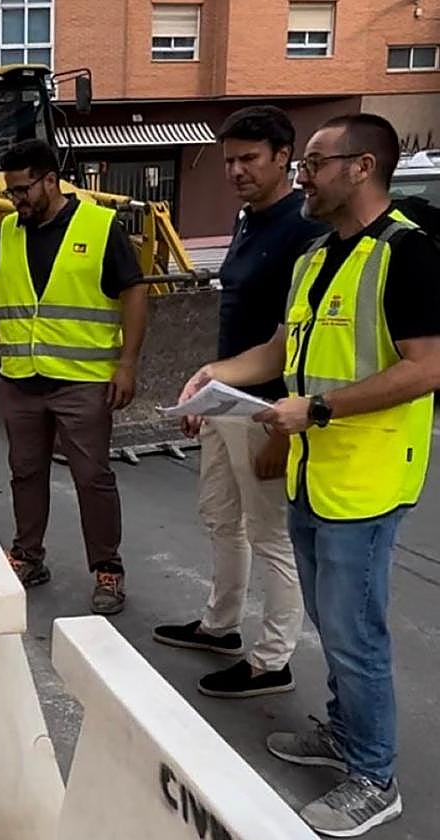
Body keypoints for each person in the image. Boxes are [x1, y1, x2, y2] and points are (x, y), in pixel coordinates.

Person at [177, 113, 440, 837]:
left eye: (315, 164)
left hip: (367, 478)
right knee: (331, 622)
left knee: (356, 634)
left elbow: (427, 368)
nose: (304, 178)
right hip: (312, 473)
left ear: (362, 167)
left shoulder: (407, 254)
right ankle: (345, 734)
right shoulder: (316, 255)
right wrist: (214, 373)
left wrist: (318, 408)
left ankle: (375, 778)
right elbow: (277, 350)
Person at [154, 106, 324, 700]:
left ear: (283, 156)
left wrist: (282, 430)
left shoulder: (305, 230)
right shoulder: (249, 219)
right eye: (228, 160)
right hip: (227, 398)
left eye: (249, 158)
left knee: (271, 536)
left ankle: (272, 660)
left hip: (268, 410)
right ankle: (220, 625)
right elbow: (238, 318)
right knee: (221, 518)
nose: (235, 171)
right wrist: (208, 393)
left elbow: (297, 340)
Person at [0, 139, 149, 615]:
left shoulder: (100, 226)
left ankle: (108, 568)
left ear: (50, 181)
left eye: (23, 190)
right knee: (25, 472)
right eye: (11, 191)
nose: (15, 199)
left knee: (92, 477)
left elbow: (134, 292)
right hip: (21, 378)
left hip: (83, 379)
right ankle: (27, 556)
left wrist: (127, 364)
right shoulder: (8, 231)